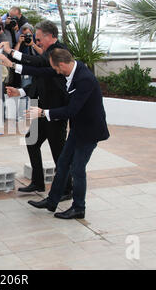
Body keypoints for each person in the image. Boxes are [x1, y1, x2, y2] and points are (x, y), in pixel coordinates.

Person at [26, 49, 110, 219]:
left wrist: (43, 113)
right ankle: (51, 202)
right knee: (63, 163)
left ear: (62, 64)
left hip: (89, 131)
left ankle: (79, 208)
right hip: (78, 129)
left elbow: (72, 109)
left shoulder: (84, 79)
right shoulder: (72, 72)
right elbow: (45, 73)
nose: (56, 72)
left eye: (57, 69)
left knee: (77, 169)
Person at [0, 20, 73, 199]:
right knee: (32, 141)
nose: (36, 43)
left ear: (49, 36)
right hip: (42, 110)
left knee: (58, 151)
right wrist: (20, 91)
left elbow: (37, 64)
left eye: (38, 39)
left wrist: (11, 56)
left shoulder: (59, 51)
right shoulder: (48, 52)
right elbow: (40, 80)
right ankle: (38, 182)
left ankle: (68, 189)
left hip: (55, 112)